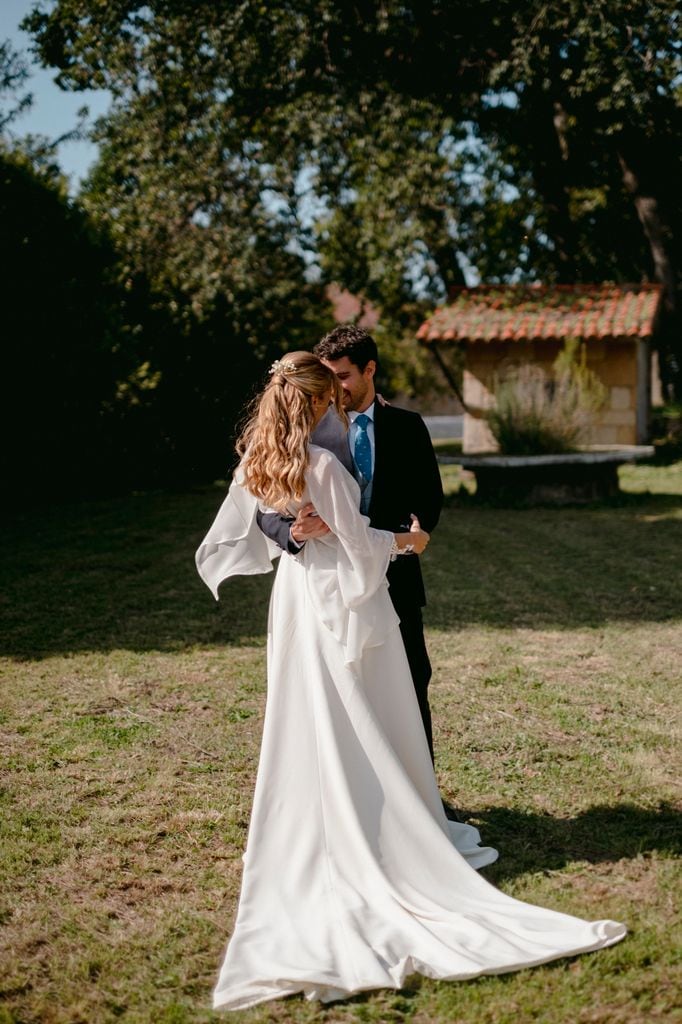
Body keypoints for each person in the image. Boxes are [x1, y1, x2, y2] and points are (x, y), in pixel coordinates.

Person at [196, 352, 625, 1013]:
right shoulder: (325, 462)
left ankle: (321, 816)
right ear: (318, 400)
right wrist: (405, 544)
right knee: (364, 710)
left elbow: (260, 515)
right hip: (342, 601)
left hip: (296, 604)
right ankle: (378, 824)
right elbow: (360, 548)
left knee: (313, 713)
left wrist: (307, 533)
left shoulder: (264, 454)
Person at [258, 325, 443, 767]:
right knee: (343, 691)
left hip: (394, 576)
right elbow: (264, 512)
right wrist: (294, 533)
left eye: (342, 376)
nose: (332, 388)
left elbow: (429, 494)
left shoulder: (407, 425)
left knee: (409, 682)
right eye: (326, 377)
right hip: (328, 583)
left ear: (369, 369)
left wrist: (417, 530)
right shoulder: (305, 431)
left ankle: (421, 793)